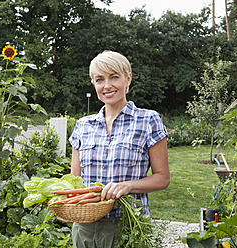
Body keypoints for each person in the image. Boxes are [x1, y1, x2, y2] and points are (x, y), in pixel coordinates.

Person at [69, 50, 170, 248]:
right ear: (94, 84)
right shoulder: (83, 125)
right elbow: (75, 181)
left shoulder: (148, 120)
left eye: (114, 77)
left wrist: (128, 186)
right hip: (85, 228)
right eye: (99, 79)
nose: (107, 85)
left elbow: (162, 178)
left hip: (129, 225)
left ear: (127, 78)